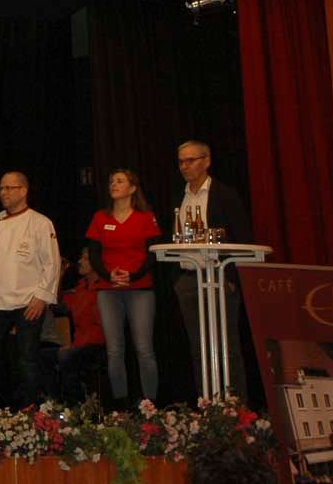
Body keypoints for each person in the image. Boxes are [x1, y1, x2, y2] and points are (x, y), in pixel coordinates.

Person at [0, 171, 60, 407]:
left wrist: (41, 297)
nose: (3, 193)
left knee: (27, 359)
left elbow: (51, 263)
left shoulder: (40, 223)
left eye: (9, 188)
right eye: (1, 189)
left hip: (28, 303)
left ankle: (31, 412)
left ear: (24, 191)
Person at [173, 139, 253, 401]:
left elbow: (242, 238)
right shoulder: (178, 196)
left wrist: (231, 280)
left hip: (219, 278)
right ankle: (206, 406)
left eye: (190, 160)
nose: (184, 166)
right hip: (188, 279)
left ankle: (236, 406)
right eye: (181, 161)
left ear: (206, 161)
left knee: (227, 345)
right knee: (198, 347)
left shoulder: (225, 194)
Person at [86, 168, 160, 406]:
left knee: (143, 348)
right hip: (108, 290)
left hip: (140, 289)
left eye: (120, 181)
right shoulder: (100, 217)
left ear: (132, 188)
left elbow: (153, 254)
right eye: (111, 181)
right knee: (114, 350)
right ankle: (121, 405)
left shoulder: (145, 217)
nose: (113, 185)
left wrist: (134, 275)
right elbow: (94, 254)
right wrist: (108, 274)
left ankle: (150, 404)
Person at [39, 246, 106, 402]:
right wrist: (59, 276)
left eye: (85, 258)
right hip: (79, 346)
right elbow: (56, 304)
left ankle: (75, 404)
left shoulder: (103, 290)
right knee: (42, 355)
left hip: (98, 346)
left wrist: (75, 346)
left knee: (66, 355)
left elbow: (101, 329)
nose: (79, 261)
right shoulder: (81, 288)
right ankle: (55, 402)